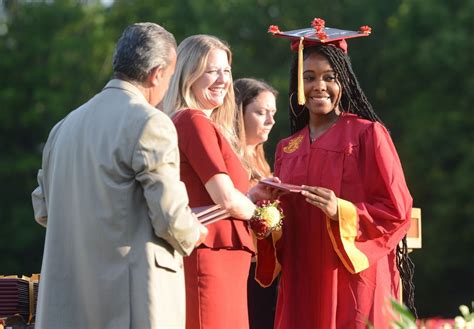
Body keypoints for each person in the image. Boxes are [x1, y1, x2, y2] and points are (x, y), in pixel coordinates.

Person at [31, 23, 207, 329]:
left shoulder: (63, 127)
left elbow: (44, 210)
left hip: (66, 303)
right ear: (157, 73)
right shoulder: (150, 121)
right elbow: (170, 219)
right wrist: (197, 230)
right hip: (130, 301)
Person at [255, 19, 414, 328]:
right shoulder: (287, 148)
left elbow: (397, 211)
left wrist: (340, 210)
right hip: (303, 280)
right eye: (309, 77)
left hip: (353, 279)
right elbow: (282, 235)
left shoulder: (367, 135)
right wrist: (267, 216)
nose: (320, 86)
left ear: (344, 82)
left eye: (330, 77)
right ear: (298, 84)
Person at [163, 35, 274, 329]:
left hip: (223, 259)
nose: (222, 79)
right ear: (189, 72)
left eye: (226, 71)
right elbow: (224, 197)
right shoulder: (193, 121)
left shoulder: (200, 124)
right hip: (209, 258)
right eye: (212, 70)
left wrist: (252, 195)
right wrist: (260, 215)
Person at [234, 78, 278, 329]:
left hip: (267, 265)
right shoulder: (229, 157)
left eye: (273, 113)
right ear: (239, 113)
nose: (270, 121)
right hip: (244, 266)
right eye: (261, 113)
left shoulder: (261, 159)